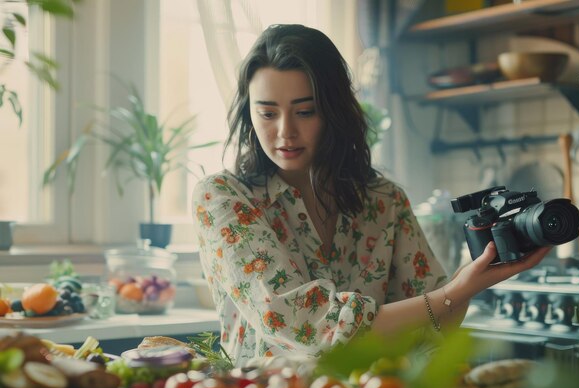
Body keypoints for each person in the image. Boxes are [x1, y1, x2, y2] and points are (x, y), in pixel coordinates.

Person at [192, 24, 550, 366]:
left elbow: (433, 323)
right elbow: (298, 322)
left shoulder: (383, 199)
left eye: (305, 111)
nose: (285, 131)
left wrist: (475, 276)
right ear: (248, 113)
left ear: (333, 111)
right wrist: (453, 292)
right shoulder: (223, 198)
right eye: (267, 113)